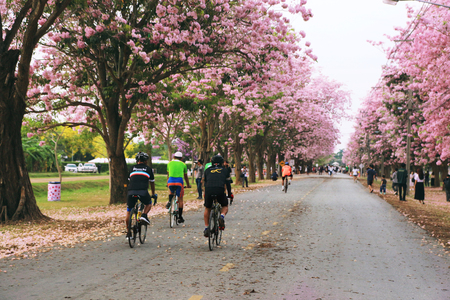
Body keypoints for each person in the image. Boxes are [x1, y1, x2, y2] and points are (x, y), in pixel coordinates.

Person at [126, 152, 157, 239]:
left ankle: (128, 233)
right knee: (148, 203)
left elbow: (130, 180)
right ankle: (144, 215)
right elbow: (152, 183)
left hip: (131, 191)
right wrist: (153, 194)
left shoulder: (131, 168)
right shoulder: (149, 169)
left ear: (137, 161)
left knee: (129, 211)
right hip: (143, 191)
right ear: (146, 161)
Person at [203, 155, 233, 237]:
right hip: (220, 189)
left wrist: (205, 194)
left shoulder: (207, 170)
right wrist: (230, 194)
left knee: (207, 208)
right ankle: (222, 216)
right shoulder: (225, 170)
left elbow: (205, 183)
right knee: (225, 205)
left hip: (209, 190)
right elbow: (228, 184)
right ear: (222, 162)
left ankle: (206, 227)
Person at [166, 151, 191, 223]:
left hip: (170, 181)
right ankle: (180, 217)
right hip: (179, 182)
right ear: (182, 158)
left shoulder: (169, 163)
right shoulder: (183, 164)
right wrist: (188, 185)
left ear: (174, 157)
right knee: (180, 199)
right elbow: (185, 176)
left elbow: (168, 174)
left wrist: (167, 183)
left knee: (171, 191)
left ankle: (169, 201)